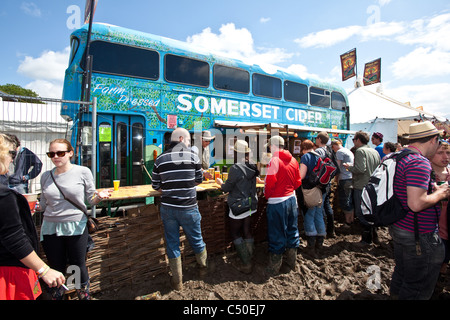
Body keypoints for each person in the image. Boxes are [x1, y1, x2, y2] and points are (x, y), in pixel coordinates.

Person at [39, 139, 111, 300]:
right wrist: (32, 205)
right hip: (50, 227)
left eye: (60, 153)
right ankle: (58, 295)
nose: (56, 157)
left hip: (76, 225)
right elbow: (43, 205)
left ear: (70, 153)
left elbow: (90, 199)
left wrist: (99, 197)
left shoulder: (82, 171)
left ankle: (83, 296)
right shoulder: (45, 176)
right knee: (55, 267)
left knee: (77, 266)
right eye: (52, 154)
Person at [0, 133, 65, 300]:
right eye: (11, 154)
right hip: (9, 272)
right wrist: (43, 270)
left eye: (60, 153)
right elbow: (13, 237)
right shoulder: (4, 195)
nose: (13, 159)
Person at [389, 121, 449, 300]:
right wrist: (440, 193)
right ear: (433, 140)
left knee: (402, 273)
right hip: (418, 233)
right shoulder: (420, 162)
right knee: (418, 286)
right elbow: (416, 204)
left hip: (398, 225)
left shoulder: (396, 157)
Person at [152, 128, 207, 290]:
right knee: (197, 240)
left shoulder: (160, 159)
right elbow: (199, 179)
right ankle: (203, 270)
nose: (189, 144)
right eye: (189, 141)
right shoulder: (193, 157)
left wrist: (169, 186)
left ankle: (177, 283)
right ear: (182, 139)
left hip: (168, 208)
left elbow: (155, 185)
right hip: (189, 207)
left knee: (172, 244)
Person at [216, 140, 259, 274]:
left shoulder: (235, 168)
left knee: (235, 232)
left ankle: (246, 263)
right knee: (246, 230)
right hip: (252, 203)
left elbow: (227, 188)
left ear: (235, 153)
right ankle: (250, 257)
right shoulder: (252, 165)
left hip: (239, 205)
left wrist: (220, 183)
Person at [264, 136, 301, 275]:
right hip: (292, 199)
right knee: (292, 231)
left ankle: (274, 267)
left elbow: (269, 184)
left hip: (277, 202)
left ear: (273, 146)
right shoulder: (293, 160)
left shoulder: (274, 160)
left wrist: (268, 196)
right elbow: (298, 182)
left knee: (276, 233)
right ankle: (291, 263)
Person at [343, 131, 380, 244]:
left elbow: (360, 169)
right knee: (371, 211)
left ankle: (366, 239)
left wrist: (349, 167)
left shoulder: (360, 151)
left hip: (361, 185)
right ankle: (374, 236)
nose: (353, 142)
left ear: (358, 140)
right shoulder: (374, 151)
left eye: (354, 139)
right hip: (373, 186)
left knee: (361, 212)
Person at [300, 139, 327, 255]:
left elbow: (301, 175)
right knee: (318, 214)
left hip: (309, 190)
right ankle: (320, 243)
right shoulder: (319, 156)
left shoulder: (306, 157)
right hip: (320, 189)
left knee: (309, 215)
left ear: (303, 148)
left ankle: (310, 245)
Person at [430, 140, 450, 280]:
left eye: (448, 153)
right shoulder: (425, 173)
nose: (445, 156)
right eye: (440, 153)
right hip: (431, 224)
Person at [314, 131, 335, 238]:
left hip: (320, 184)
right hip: (328, 182)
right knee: (327, 205)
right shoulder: (329, 150)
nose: (315, 139)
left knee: (319, 208)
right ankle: (331, 229)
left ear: (320, 139)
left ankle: (322, 231)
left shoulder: (318, 151)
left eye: (316, 137)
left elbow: (315, 167)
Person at [331, 139, 355, 227]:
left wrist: (335, 178)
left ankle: (347, 222)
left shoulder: (339, 152)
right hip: (350, 177)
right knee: (349, 199)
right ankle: (351, 220)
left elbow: (337, 167)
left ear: (334, 146)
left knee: (345, 200)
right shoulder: (348, 151)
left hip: (344, 179)